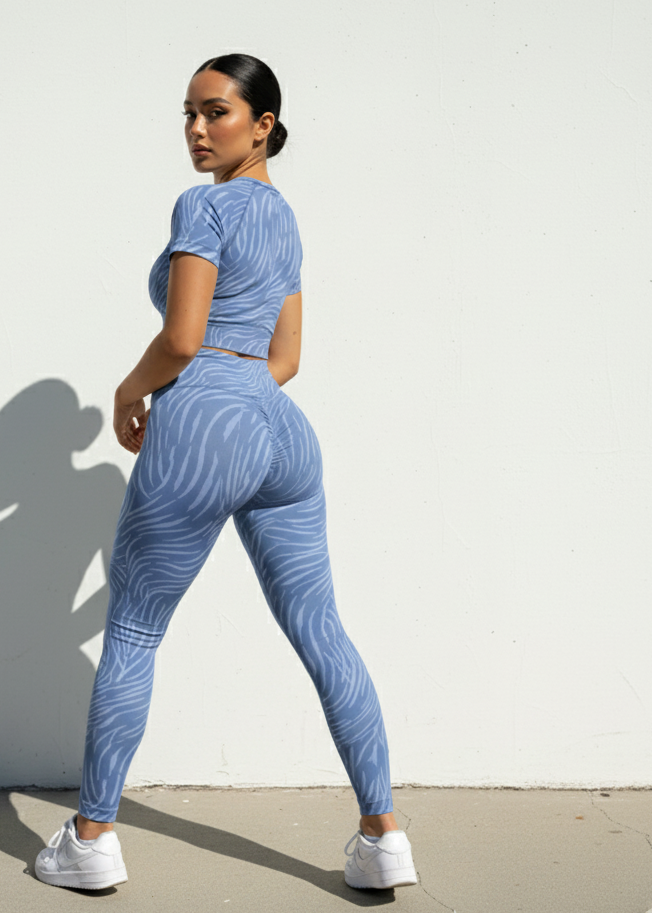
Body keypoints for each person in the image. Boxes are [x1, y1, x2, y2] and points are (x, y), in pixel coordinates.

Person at [34, 53, 418, 893]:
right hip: (280, 428)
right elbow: (287, 357)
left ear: (263, 124)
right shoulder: (286, 220)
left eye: (217, 112)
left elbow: (181, 338)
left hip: (205, 413)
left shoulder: (202, 206)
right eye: (189, 113)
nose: (197, 130)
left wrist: (130, 392)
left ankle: (91, 838)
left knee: (135, 631)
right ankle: (383, 832)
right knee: (323, 629)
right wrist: (241, 402)